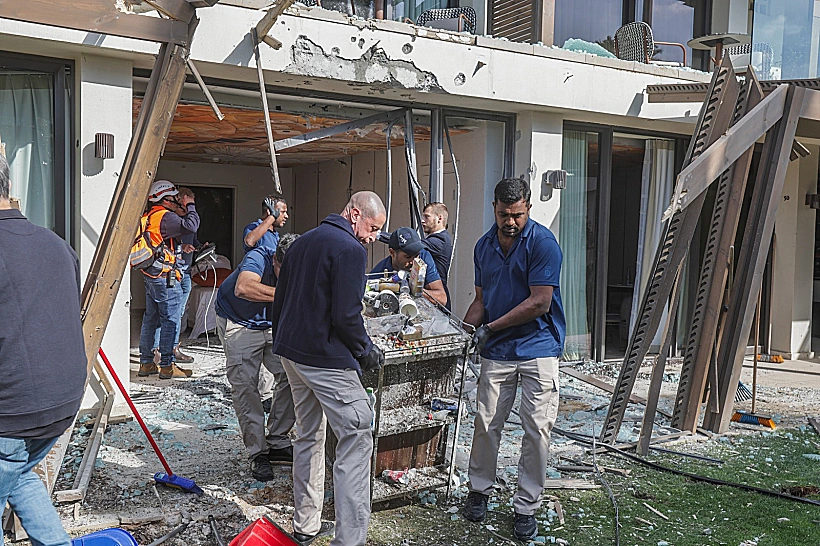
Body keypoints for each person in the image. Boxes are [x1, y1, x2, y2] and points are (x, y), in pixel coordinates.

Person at [271, 191, 386, 546]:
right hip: (322, 357)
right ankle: (350, 539)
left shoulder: (302, 241)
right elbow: (347, 315)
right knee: (357, 431)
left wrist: (283, 343)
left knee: (308, 436)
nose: (373, 237)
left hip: (292, 353)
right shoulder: (351, 249)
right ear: (354, 214)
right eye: (371, 227)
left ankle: (305, 525)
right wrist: (365, 350)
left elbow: (281, 298)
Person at [461, 178, 565, 541]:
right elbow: (480, 300)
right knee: (486, 421)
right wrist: (463, 331)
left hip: (538, 346)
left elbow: (540, 302)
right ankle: (480, 490)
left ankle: (526, 506)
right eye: (504, 214)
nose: (510, 222)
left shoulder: (543, 243)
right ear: (494, 208)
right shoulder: (483, 246)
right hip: (497, 350)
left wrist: (491, 327)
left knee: (536, 429)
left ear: (528, 209)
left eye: (517, 215)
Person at [0, 153, 86, 546]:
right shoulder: (55, 243)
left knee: (10, 465)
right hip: (61, 403)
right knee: (17, 475)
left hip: (13, 411)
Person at [215, 234, 298, 482]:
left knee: (293, 377)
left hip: (272, 324)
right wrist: (288, 293)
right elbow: (243, 287)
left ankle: (278, 440)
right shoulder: (259, 256)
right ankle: (258, 453)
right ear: (276, 260)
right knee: (246, 387)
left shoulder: (303, 260)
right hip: (239, 323)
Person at [137, 179, 200, 380]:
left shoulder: (151, 216)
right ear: (164, 199)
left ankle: (146, 363)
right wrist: (190, 204)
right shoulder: (165, 217)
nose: (177, 202)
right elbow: (191, 225)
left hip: (152, 275)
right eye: (174, 198)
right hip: (164, 277)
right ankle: (166, 366)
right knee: (170, 320)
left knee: (151, 319)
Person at [153, 186, 199, 366]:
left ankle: (172, 348)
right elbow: (168, 244)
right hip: (171, 272)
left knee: (177, 313)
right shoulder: (172, 220)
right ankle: (159, 352)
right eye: (186, 204)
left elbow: (191, 236)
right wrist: (181, 250)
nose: (188, 209)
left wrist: (198, 246)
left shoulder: (186, 220)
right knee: (164, 314)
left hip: (185, 270)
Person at [371, 226, 448, 307]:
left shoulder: (423, 256)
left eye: (416, 255)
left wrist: (416, 290)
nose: (413, 261)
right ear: (392, 252)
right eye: (408, 257)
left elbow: (442, 298)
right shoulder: (378, 274)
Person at [421, 202, 453, 309]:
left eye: (427, 217)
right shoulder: (436, 239)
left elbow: (410, 244)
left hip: (437, 299)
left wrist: (378, 234)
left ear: (439, 218)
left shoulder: (440, 240)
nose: (422, 220)